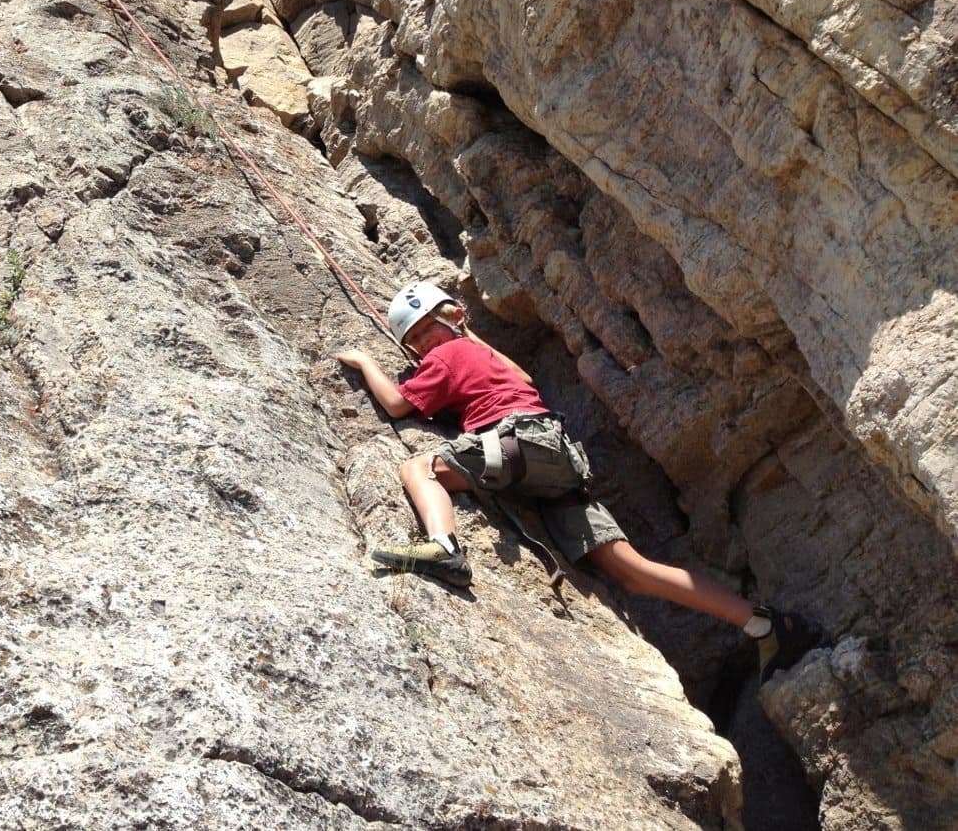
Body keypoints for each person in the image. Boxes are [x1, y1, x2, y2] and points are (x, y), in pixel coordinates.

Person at [336, 280, 822, 683]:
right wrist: (464, 333)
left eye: (427, 332)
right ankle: (764, 623)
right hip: (555, 460)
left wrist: (365, 362)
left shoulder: (447, 358)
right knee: (630, 569)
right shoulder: (490, 358)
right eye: (416, 341)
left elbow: (399, 404)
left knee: (416, 468)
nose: (425, 347)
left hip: (518, 445)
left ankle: (444, 547)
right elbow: (520, 374)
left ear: (453, 319)